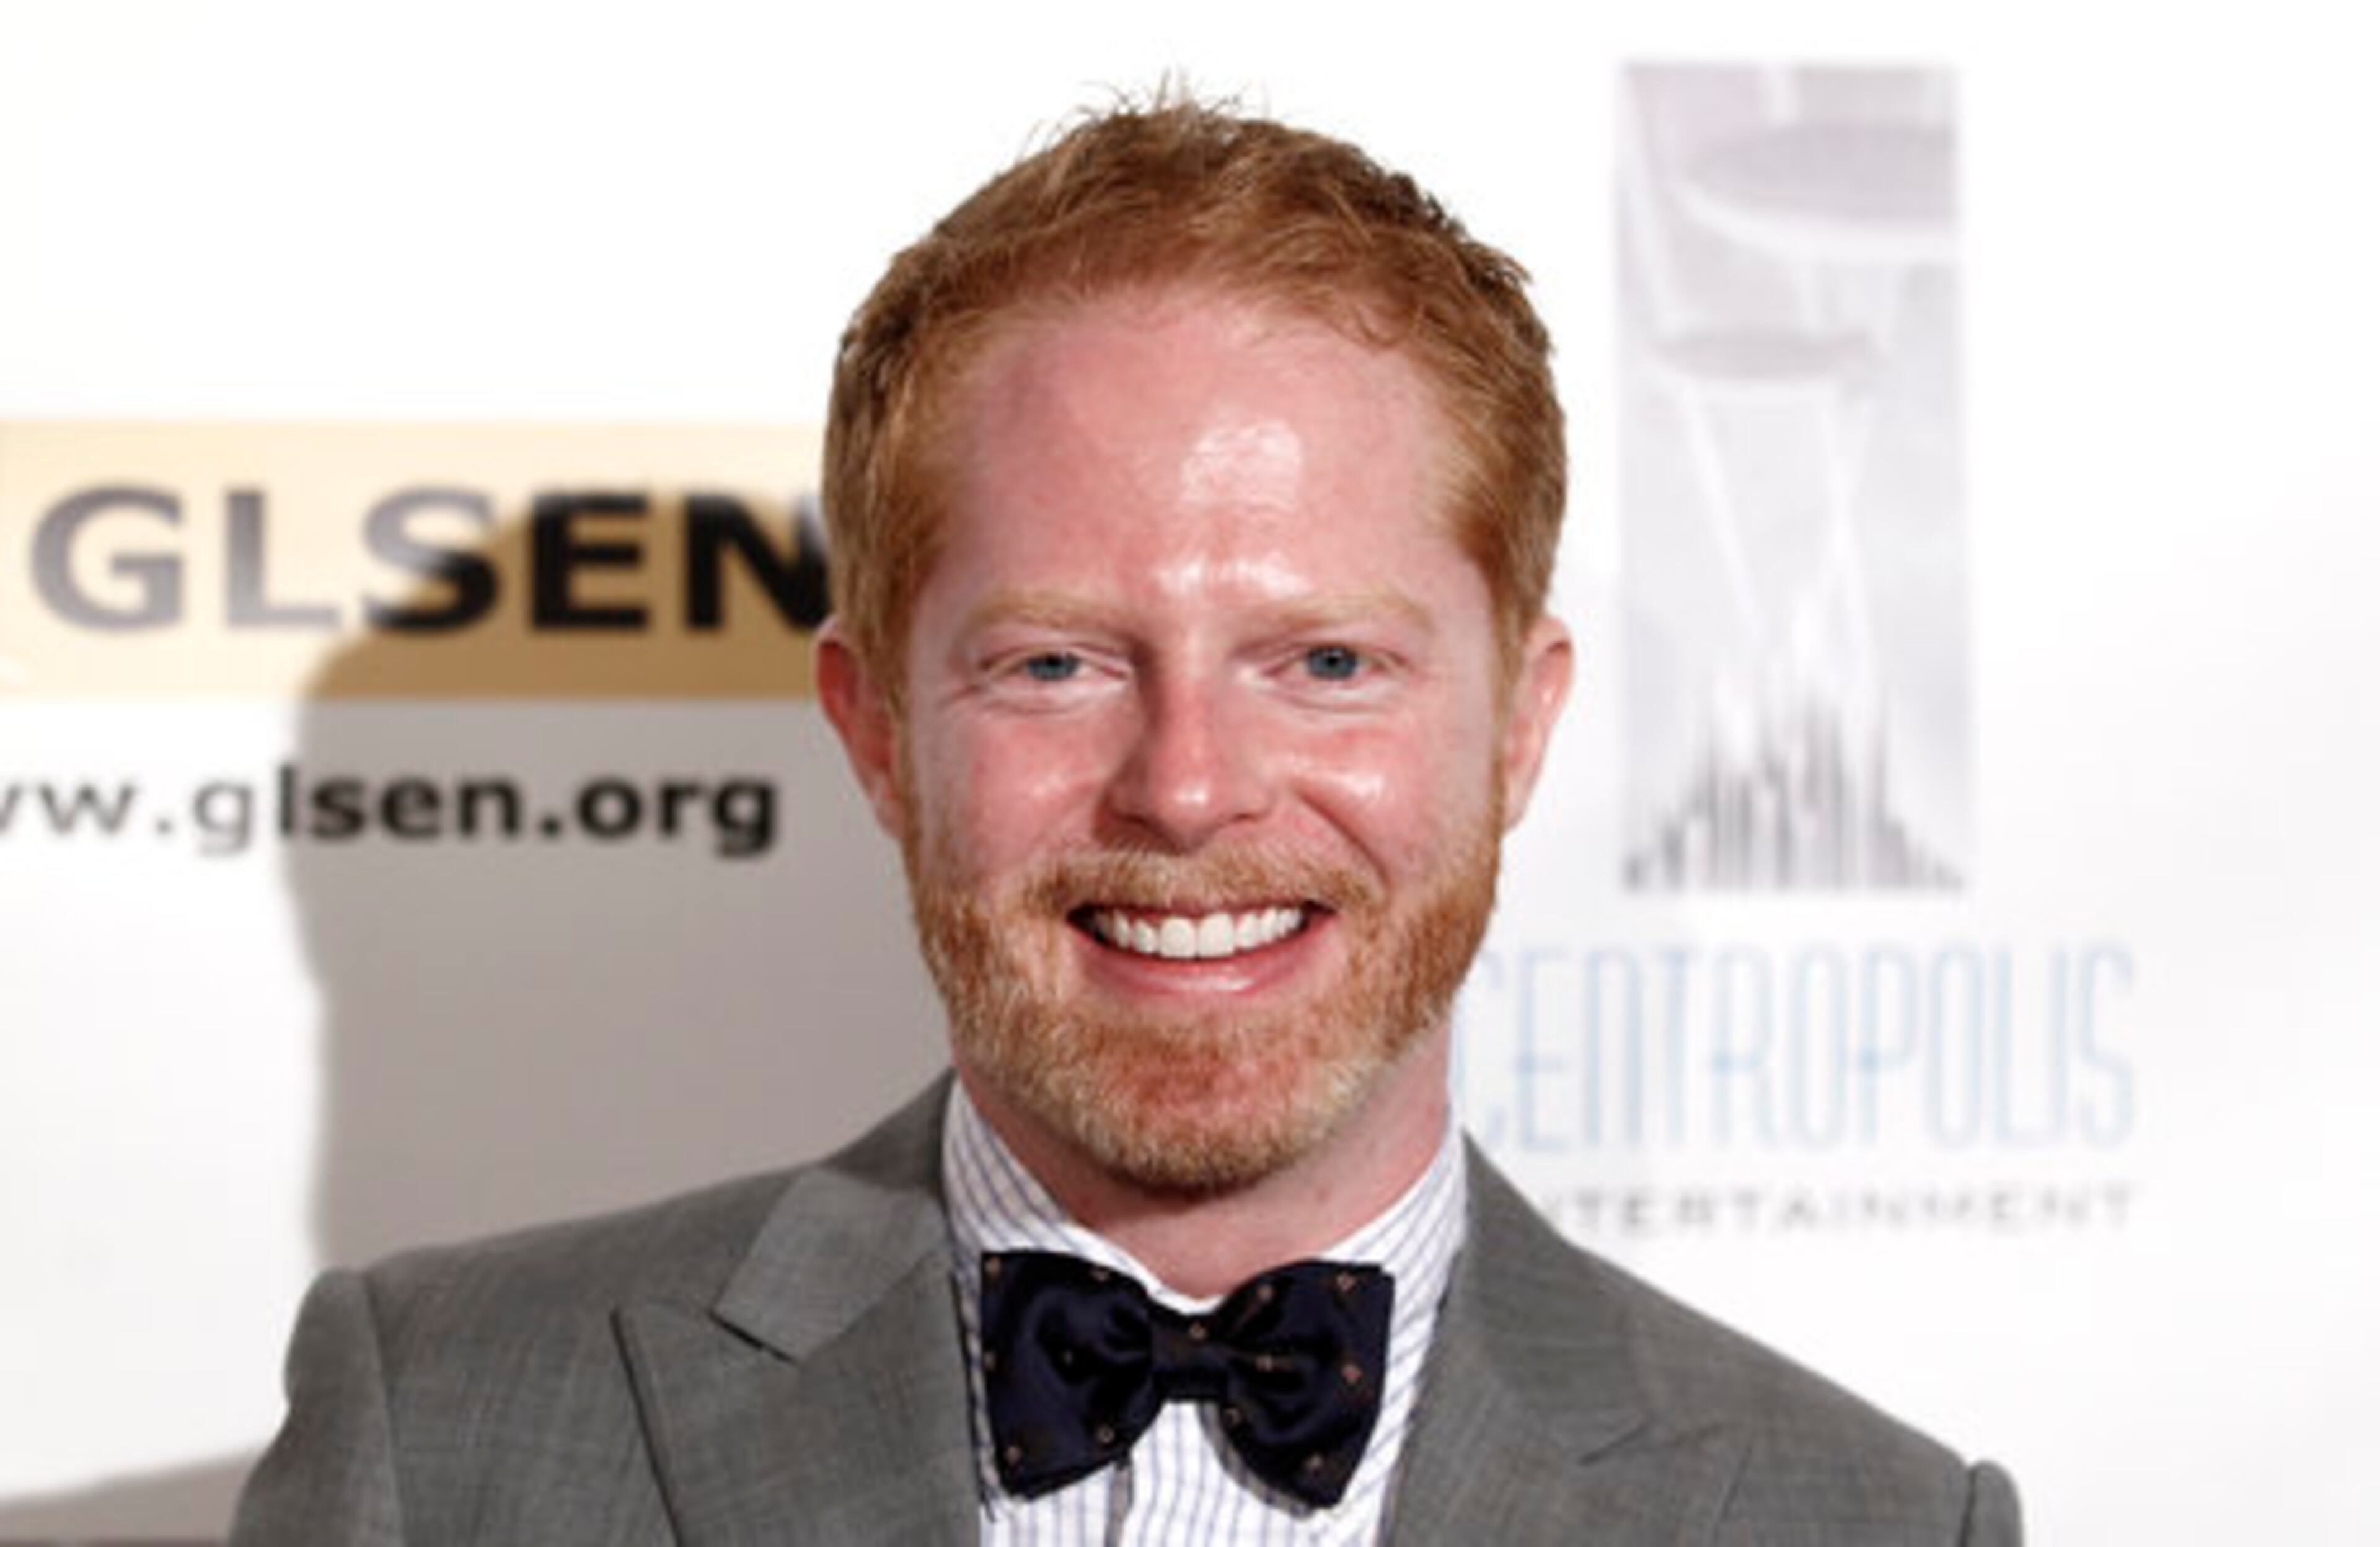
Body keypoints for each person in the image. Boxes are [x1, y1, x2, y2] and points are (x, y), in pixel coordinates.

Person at [233, 97, 2021, 1545]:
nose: (1185, 789)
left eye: (1324, 660)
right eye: (1058, 664)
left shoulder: (1866, 1521)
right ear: (873, 731)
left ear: (1520, 727)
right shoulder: (447, 1440)